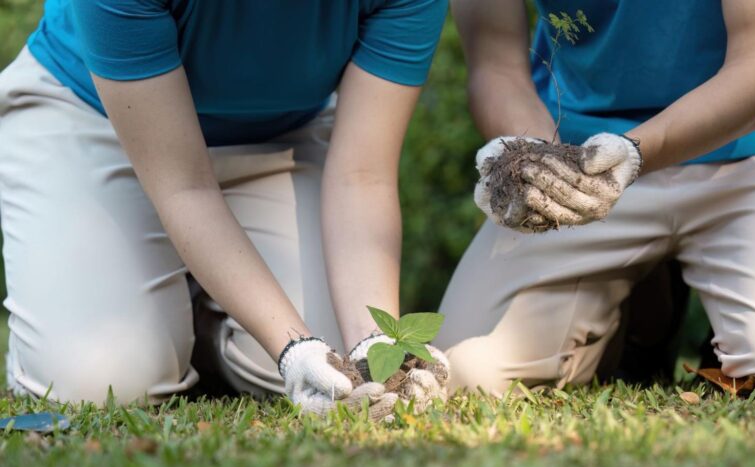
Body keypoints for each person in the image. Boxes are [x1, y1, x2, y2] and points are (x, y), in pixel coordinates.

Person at [0, 0, 450, 415]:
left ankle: (196, 315)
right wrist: (294, 348)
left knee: (330, 366)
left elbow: (361, 176)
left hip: (279, 139)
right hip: (93, 121)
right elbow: (184, 186)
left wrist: (376, 349)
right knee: (100, 381)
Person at [435, 0, 755, 396]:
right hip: (582, 156)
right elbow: (495, 67)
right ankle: (640, 319)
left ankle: (723, 326)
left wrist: (635, 152)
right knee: (467, 374)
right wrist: (533, 158)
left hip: (752, 144)